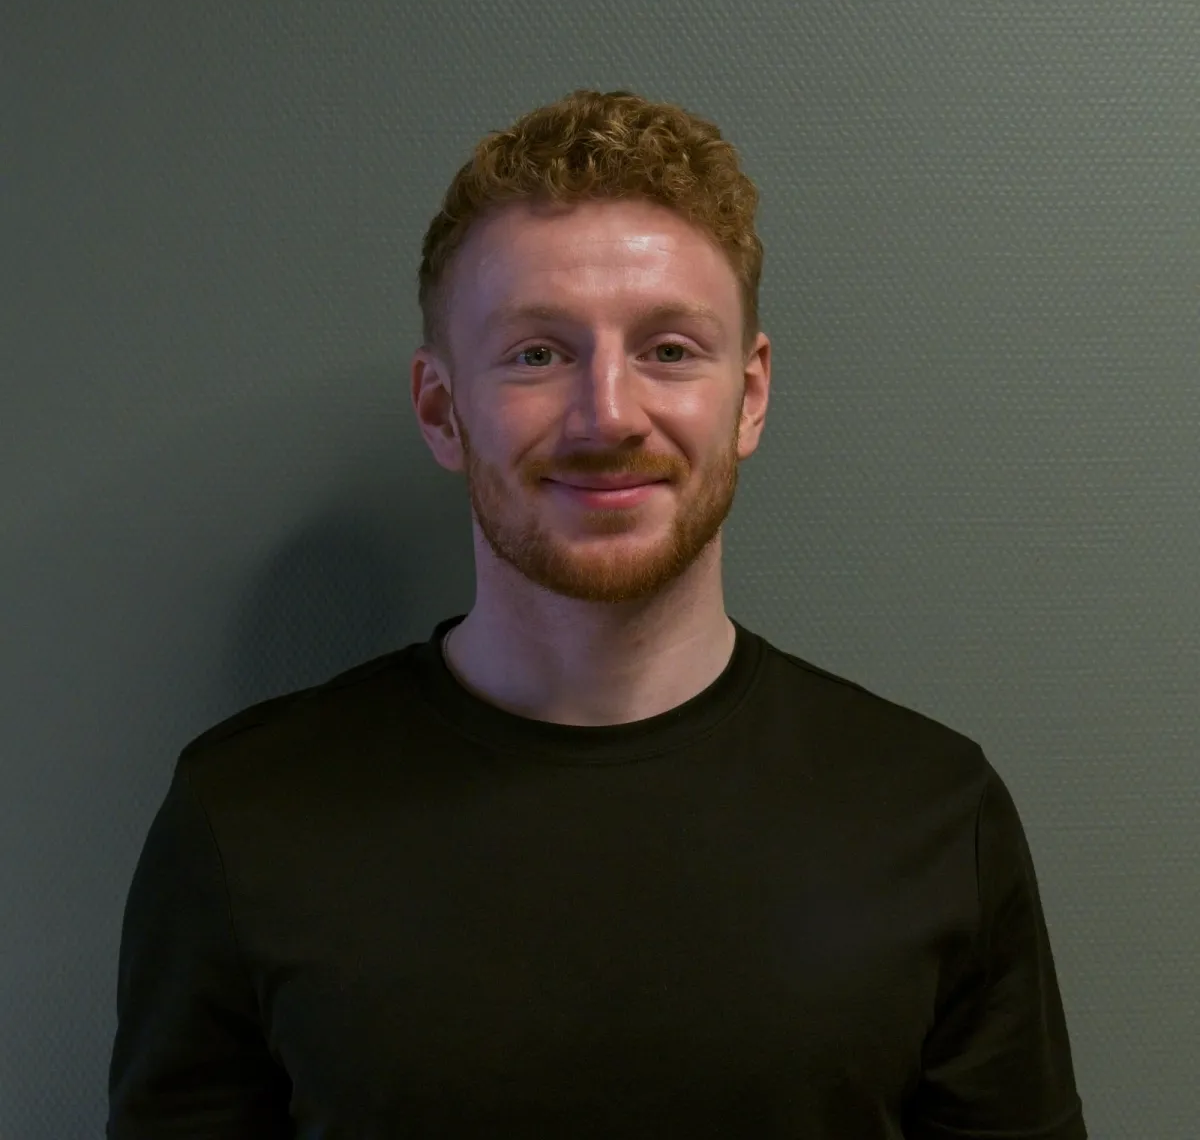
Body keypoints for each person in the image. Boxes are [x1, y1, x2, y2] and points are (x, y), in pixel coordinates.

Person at [107, 89, 1088, 1138]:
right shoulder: (246, 815)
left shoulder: (934, 815)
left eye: (668, 349)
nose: (608, 414)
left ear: (748, 397)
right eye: (538, 353)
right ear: (442, 409)